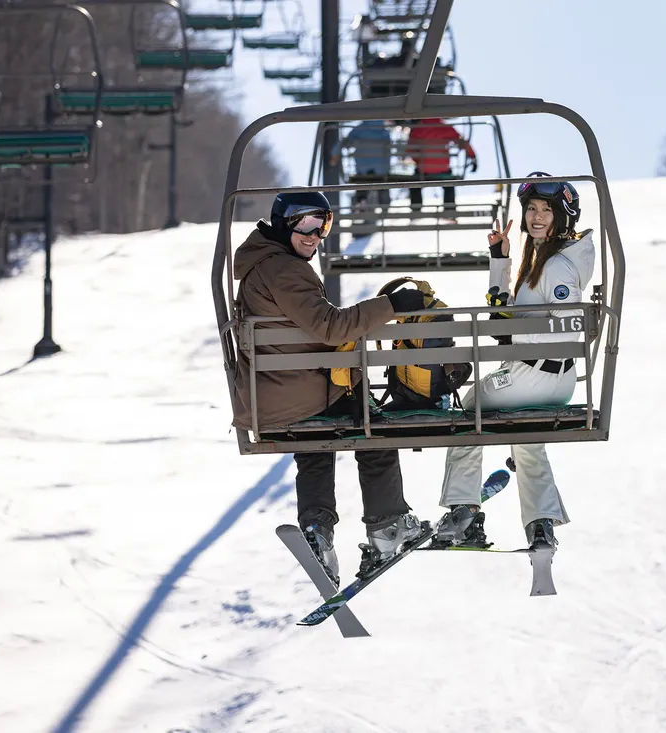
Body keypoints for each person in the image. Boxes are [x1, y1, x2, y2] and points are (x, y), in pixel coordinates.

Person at [230, 190, 429, 581]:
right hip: (298, 393)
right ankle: (388, 526)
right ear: (282, 222)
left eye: (323, 227)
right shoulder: (284, 270)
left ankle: (317, 531)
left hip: (279, 397)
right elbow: (331, 325)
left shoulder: (266, 264)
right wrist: (391, 305)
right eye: (305, 224)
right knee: (374, 426)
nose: (314, 236)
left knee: (316, 442)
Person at [434, 172, 595, 551]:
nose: (536, 217)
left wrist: (515, 334)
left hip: (537, 373)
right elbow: (510, 310)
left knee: (470, 409)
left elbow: (564, 328)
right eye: (532, 209)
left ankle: (463, 511)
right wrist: (500, 259)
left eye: (546, 211)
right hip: (554, 378)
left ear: (563, 216)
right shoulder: (546, 256)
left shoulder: (557, 267)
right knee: (527, 437)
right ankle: (541, 524)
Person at [404, 117, 476, 212]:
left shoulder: (418, 129)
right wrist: (472, 156)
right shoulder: (445, 127)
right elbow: (462, 143)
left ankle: (416, 211)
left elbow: (411, 149)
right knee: (449, 185)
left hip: (423, 170)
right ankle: (449, 211)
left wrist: (419, 161)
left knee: (415, 185)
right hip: (443, 169)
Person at [329, 120, 393, 210]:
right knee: (383, 185)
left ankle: (360, 203)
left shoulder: (359, 129)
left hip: (363, 170)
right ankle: (385, 205)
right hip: (381, 170)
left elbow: (344, 142)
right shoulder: (384, 131)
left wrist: (334, 155)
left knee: (362, 185)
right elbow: (388, 150)